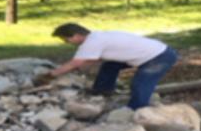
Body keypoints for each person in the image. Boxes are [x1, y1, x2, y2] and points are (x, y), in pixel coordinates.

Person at [48, 23, 180, 108]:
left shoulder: (92, 42)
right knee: (110, 65)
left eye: (66, 39)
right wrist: (82, 70)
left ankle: (136, 109)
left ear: (76, 35)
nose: (66, 42)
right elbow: (91, 60)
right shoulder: (97, 36)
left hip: (158, 57)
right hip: (157, 51)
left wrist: (50, 75)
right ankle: (102, 90)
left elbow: (76, 62)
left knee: (141, 83)